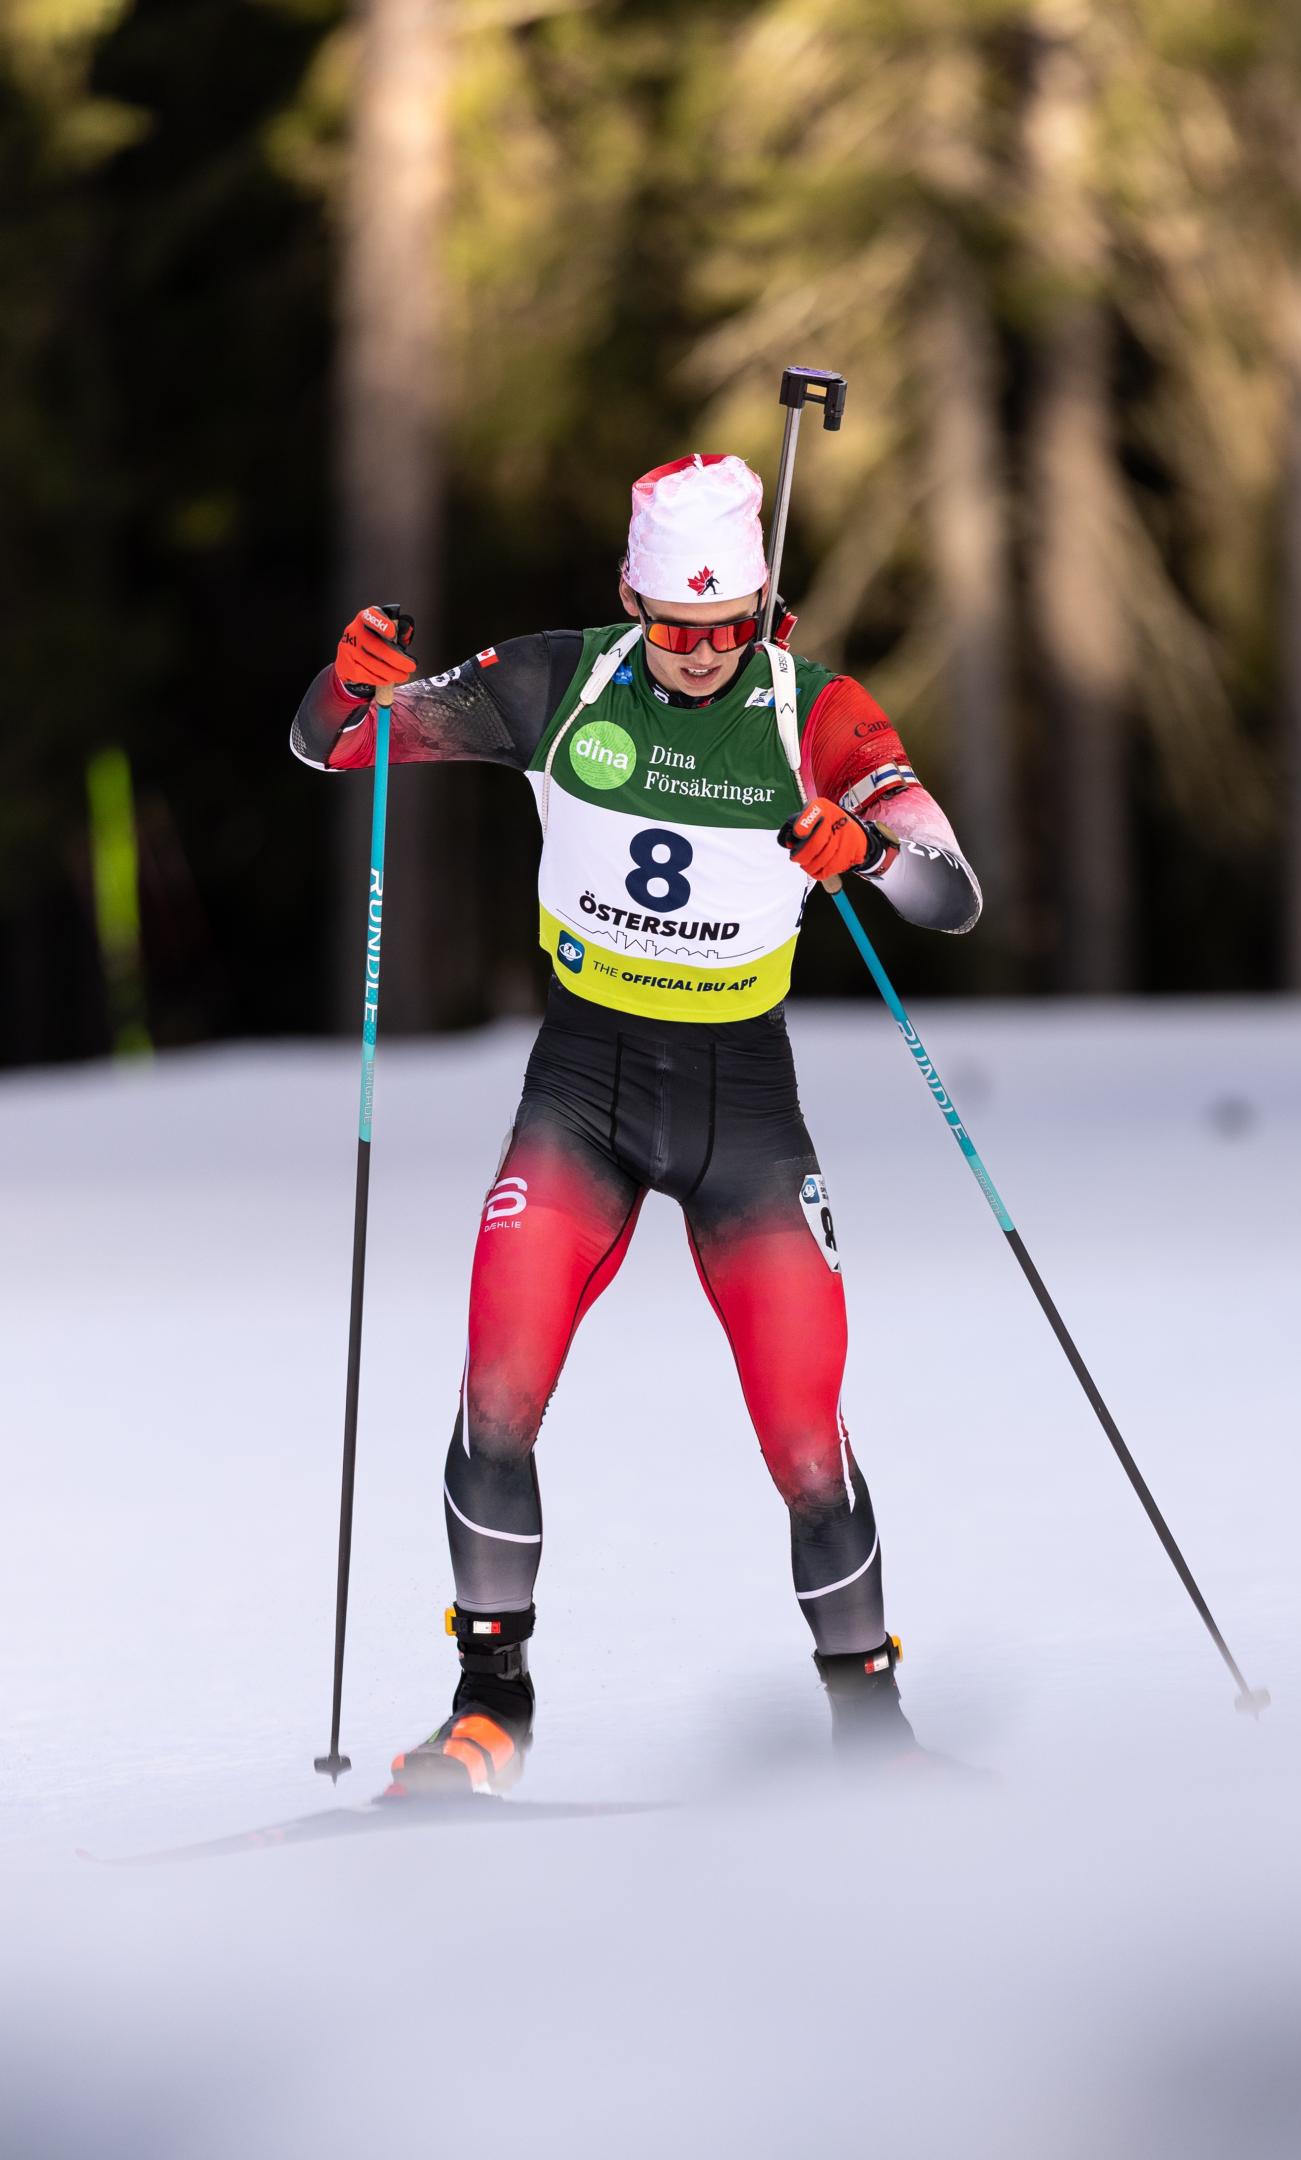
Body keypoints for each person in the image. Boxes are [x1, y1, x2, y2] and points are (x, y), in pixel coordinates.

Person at [291, 452, 981, 1795]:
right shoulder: (554, 682)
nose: (705, 653)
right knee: (496, 1396)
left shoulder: (813, 711)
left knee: (805, 1439)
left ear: (765, 606)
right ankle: (491, 1707)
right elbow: (336, 747)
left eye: (731, 626)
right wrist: (345, 687)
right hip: (585, 1086)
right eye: (676, 626)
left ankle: (872, 1736)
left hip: (744, 1109)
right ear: (630, 600)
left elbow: (949, 896)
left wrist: (872, 852)